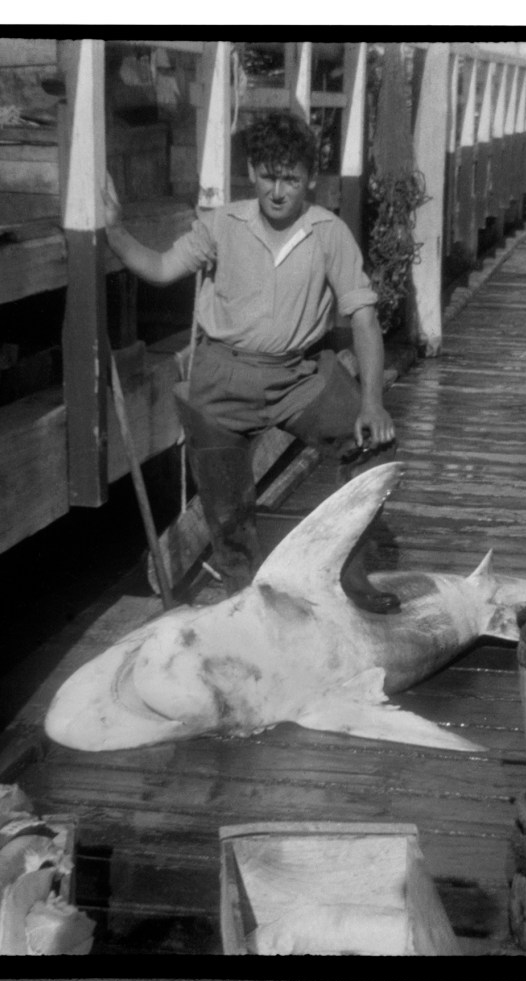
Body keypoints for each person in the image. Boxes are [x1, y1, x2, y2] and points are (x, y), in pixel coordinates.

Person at [103, 111, 400, 613]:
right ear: (252, 172)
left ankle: (351, 574)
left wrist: (372, 402)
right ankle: (243, 600)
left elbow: (365, 319)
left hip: (297, 376)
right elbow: (159, 268)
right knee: (227, 511)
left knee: (371, 443)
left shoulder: (329, 232)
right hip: (221, 377)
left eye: (291, 178)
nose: (278, 191)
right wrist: (115, 231)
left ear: (310, 178)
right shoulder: (221, 224)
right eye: (267, 175)